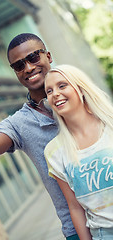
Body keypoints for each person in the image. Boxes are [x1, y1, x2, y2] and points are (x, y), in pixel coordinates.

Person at [0, 33, 79, 239]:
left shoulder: (80, 94)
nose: (28, 68)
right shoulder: (19, 123)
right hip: (75, 228)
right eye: (18, 65)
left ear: (48, 56)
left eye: (33, 57)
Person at [44, 64, 113, 239]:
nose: (55, 94)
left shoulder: (110, 125)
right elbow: (74, 207)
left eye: (62, 85)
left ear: (80, 89)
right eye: (49, 91)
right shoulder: (54, 151)